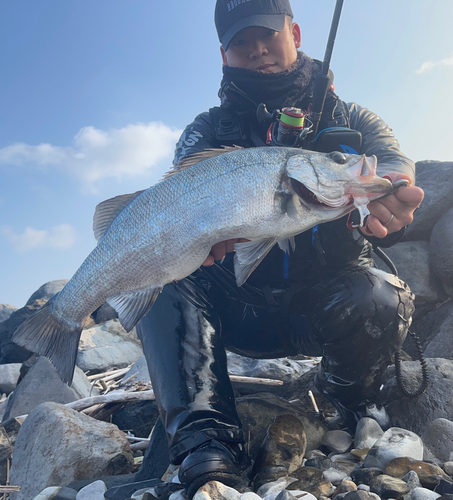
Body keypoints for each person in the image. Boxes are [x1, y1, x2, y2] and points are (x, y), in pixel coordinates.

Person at [136, 0, 424, 497]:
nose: (258, 49)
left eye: (267, 34)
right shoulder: (205, 131)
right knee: (157, 276)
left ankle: (344, 400)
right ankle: (204, 439)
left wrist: (393, 193)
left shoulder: (355, 117)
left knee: (380, 294)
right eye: (241, 42)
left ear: (293, 31)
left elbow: (395, 165)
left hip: (323, 307)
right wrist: (196, 239)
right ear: (224, 55)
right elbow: (178, 199)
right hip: (235, 312)